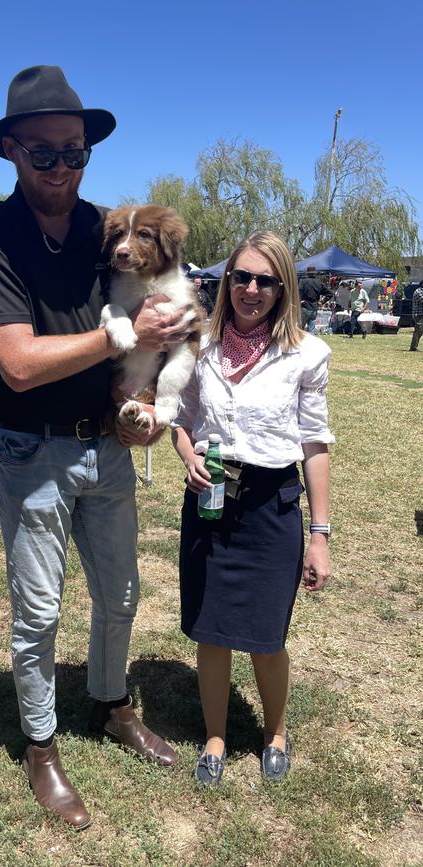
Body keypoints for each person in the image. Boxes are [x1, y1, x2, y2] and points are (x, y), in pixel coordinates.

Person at [0, 66, 184, 829]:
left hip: (107, 450)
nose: (62, 167)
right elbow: (19, 364)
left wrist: (142, 401)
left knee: (121, 593)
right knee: (39, 610)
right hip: (30, 451)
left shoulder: (102, 230)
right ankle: (41, 746)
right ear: (13, 152)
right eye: (45, 153)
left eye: (75, 152)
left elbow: (143, 344)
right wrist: (121, 335)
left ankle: (113, 703)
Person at [172, 230, 334, 786]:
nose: (252, 289)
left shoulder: (306, 354)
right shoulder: (201, 348)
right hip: (210, 504)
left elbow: (314, 444)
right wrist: (187, 453)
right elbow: (183, 419)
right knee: (211, 631)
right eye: (242, 277)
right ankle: (215, 736)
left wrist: (320, 534)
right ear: (226, 283)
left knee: (268, 636)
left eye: (267, 280)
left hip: (272, 509)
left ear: (284, 287)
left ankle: (276, 731)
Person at [298, 265, 331, 333]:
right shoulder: (319, 282)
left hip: (305, 307)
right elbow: (329, 293)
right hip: (314, 308)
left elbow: (298, 292)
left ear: (307, 274)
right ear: (315, 273)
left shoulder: (303, 281)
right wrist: (322, 302)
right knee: (311, 330)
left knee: (300, 329)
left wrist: (299, 301)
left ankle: (300, 343)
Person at [409, 280, 423, 351]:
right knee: (418, 331)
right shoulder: (418, 292)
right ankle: (413, 347)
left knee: (420, 331)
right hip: (419, 315)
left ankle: (414, 346)